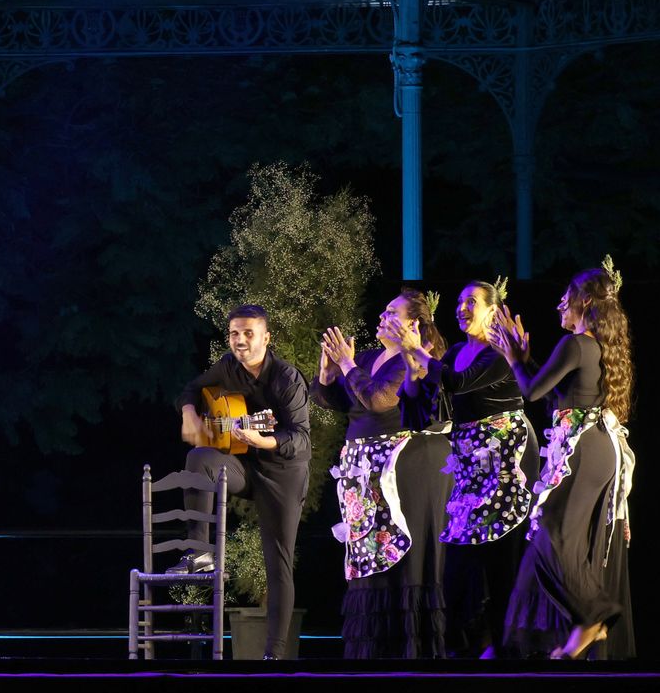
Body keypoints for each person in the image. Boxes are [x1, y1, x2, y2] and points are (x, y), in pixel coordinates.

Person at [490, 260, 635, 660]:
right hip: (593, 449)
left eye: (566, 298)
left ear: (584, 302)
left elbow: (533, 393)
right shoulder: (593, 346)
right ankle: (563, 634)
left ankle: (592, 618)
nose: (559, 304)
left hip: (583, 450)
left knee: (554, 534)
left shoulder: (576, 343)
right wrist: (520, 357)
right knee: (552, 537)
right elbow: (555, 396)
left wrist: (515, 357)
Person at [399, 279, 538, 658]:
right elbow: (423, 408)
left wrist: (423, 357)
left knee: (500, 565)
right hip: (469, 473)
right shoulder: (457, 350)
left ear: (492, 311)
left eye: (471, 302)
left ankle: (508, 652)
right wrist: (412, 366)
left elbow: (458, 383)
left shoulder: (497, 352)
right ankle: (467, 648)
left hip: (503, 468)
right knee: (458, 567)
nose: (462, 308)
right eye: (459, 301)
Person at [317, 289, 451, 659]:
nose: (382, 315)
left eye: (392, 311)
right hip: (361, 473)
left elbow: (379, 402)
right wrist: (328, 375)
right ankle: (370, 652)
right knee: (368, 561)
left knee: (396, 559)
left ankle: (406, 651)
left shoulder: (411, 361)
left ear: (413, 324)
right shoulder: (371, 357)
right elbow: (343, 403)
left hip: (396, 472)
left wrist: (347, 364)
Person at [175, 304, 311, 660]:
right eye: (234, 333)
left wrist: (265, 441)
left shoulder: (286, 378)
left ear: (267, 338)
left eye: (248, 333)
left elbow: (301, 439)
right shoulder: (227, 366)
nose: (240, 340)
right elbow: (190, 389)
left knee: (276, 562)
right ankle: (200, 552)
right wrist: (190, 413)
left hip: (284, 472)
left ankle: (274, 656)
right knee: (199, 459)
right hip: (247, 466)